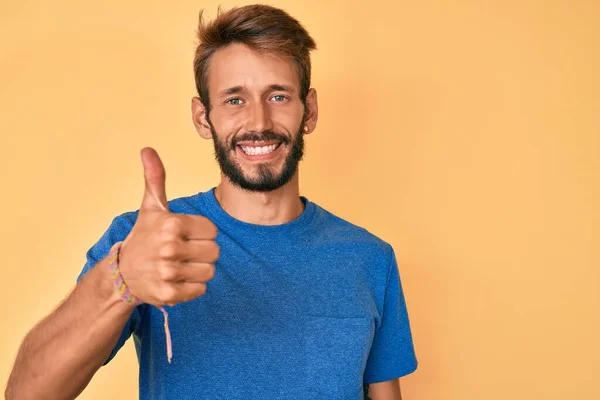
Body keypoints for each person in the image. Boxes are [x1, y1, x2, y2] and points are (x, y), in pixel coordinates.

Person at [5, 4, 417, 400]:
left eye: (278, 97)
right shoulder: (147, 244)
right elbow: (27, 391)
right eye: (234, 99)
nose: (258, 123)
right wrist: (120, 280)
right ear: (204, 118)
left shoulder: (369, 258)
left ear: (308, 111)